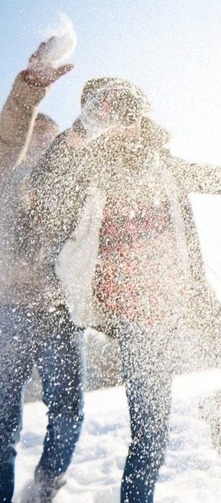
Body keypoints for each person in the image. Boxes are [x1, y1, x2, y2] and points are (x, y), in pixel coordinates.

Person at [27, 76, 221, 503]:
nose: (126, 123)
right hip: (139, 324)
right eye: (110, 113)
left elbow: (218, 176)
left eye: (131, 111)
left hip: (191, 303)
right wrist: (83, 129)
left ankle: (215, 409)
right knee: (150, 441)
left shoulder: (163, 163)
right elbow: (45, 187)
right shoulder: (83, 176)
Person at [0, 38, 83, 503]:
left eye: (50, 143)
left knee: (68, 410)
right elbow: (9, 135)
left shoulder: (67, 188)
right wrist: (29, 89)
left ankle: (47, 484)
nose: (40, 150)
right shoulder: (4, 172)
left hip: (57, 308)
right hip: (7, 308)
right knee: (0, 420)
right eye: (37, 138)